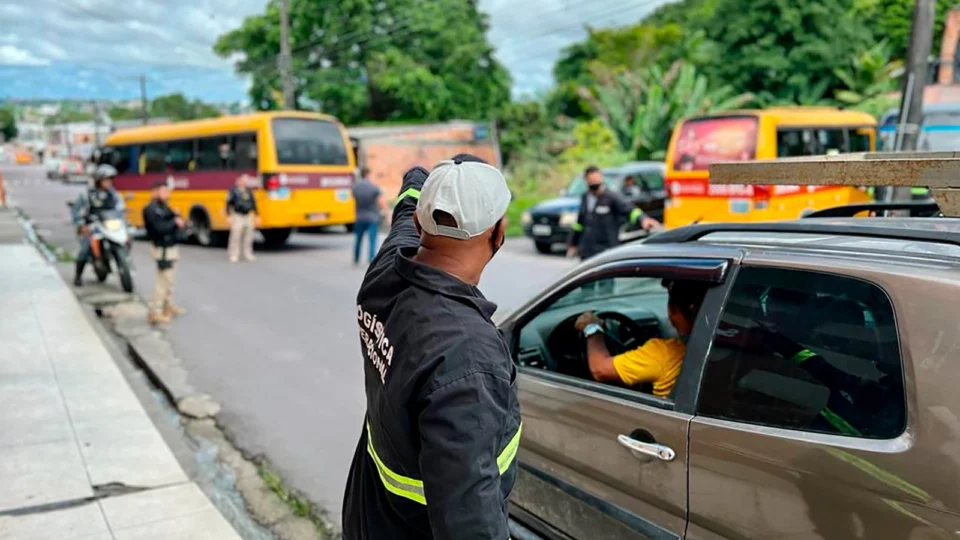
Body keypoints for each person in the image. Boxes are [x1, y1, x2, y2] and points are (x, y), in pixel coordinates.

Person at [342, 155, 521, 540]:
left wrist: (438, 177)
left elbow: (408, 198)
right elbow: (471, 521)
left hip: (369, 514)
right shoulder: (468, 358)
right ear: (498, 231)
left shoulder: (386, 270)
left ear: (421, 222)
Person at [574, 280, 707, 397]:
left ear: (673, 309)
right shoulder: (717, 348)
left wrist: (592, 328)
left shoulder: (665, 353)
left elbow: (600, 370)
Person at [567, 165, 661, 260]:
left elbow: (629, 210)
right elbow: (579, 224)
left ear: (601, 178)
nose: (595, 182)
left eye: (596, 179)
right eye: (591, 179)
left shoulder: (612, 197)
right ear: (586, 180)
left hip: (606, 250)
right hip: (588, 251)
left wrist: (643, 219)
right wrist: (573, 244)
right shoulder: (585, 198)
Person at [72, 164, 123, 287]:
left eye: (110, 180)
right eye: (106, 180)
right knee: (85, 249)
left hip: (108, 224)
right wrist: (81, 224)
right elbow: (76, 211)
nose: (108, 183)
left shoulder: (114, 194)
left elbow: (120, 208)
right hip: (92, 226)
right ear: (99, 180)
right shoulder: (87, 194)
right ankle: (78, 275)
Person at [143, 181, 186, 325]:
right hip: (162, 249)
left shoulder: (163, 207)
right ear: (155, 192)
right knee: (163, 281)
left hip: (171, 247)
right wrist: (175, 222)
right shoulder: (151, 209)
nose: (167, 194)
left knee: (170, 280)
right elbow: (160, 228)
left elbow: (171, 217)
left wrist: (176, 216)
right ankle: (155, 312)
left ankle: (168, 306)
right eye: (164, 191)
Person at [351, 167, 383, 266]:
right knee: (372, 240)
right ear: (368, 174)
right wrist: (386, 212)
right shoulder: (373, 187)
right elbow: (381, 201)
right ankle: (371, 258)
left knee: (358, 239)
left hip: (359, 217)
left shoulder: (355, 187)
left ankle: (356, 258)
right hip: (372, 217)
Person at [226, 174, 259, 263]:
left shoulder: (249, 191)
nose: (245, 182)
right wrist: (228, 216)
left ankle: (248, 253)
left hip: (247, 215)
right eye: (244, 180)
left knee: (249, 235)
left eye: (246, 180)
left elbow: (254, 203)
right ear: (239, 180)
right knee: (236, 235)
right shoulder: (234, 191)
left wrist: (257, 216)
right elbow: (228, 203)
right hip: (238, 215)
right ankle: (234, 254)